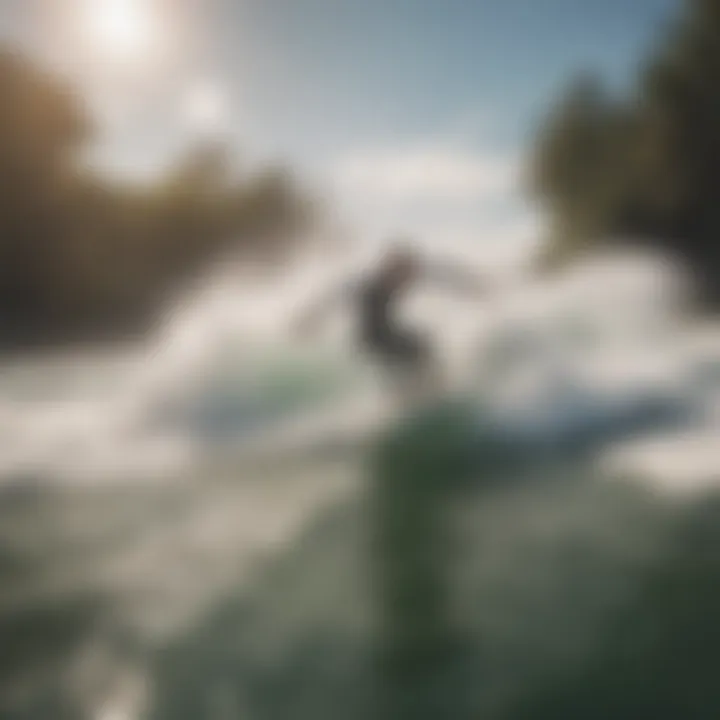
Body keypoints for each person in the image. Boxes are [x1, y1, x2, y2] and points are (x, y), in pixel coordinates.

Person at [295, 238, 491, 401]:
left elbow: (441, 274)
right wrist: (311, 318)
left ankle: (424, 392)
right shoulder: (367, 281)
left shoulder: (407, 273)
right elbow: (334, 293)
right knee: (418, 348)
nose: (406, 278)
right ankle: (416, 394)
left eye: (408, 272)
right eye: (401, 271)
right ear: (389, 267)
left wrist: (474, 285)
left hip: (385, 333)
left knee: (422, 344)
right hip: (371, 337)